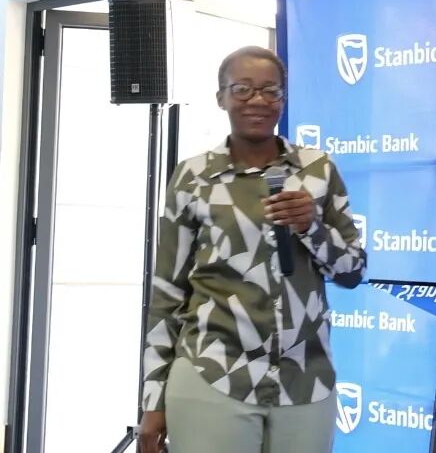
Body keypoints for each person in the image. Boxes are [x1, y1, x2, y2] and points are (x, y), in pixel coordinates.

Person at [139, 46, 366, 453]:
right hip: (214, 371)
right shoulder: (193, 176)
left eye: (270, 90)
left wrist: (311, 227)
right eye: (242, 89)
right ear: (221, 98)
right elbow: (167, 292)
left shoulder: (318, 169)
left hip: (305, 379)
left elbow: (352, 272)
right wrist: (153, 401)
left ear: (283, 98)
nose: (257, 100)